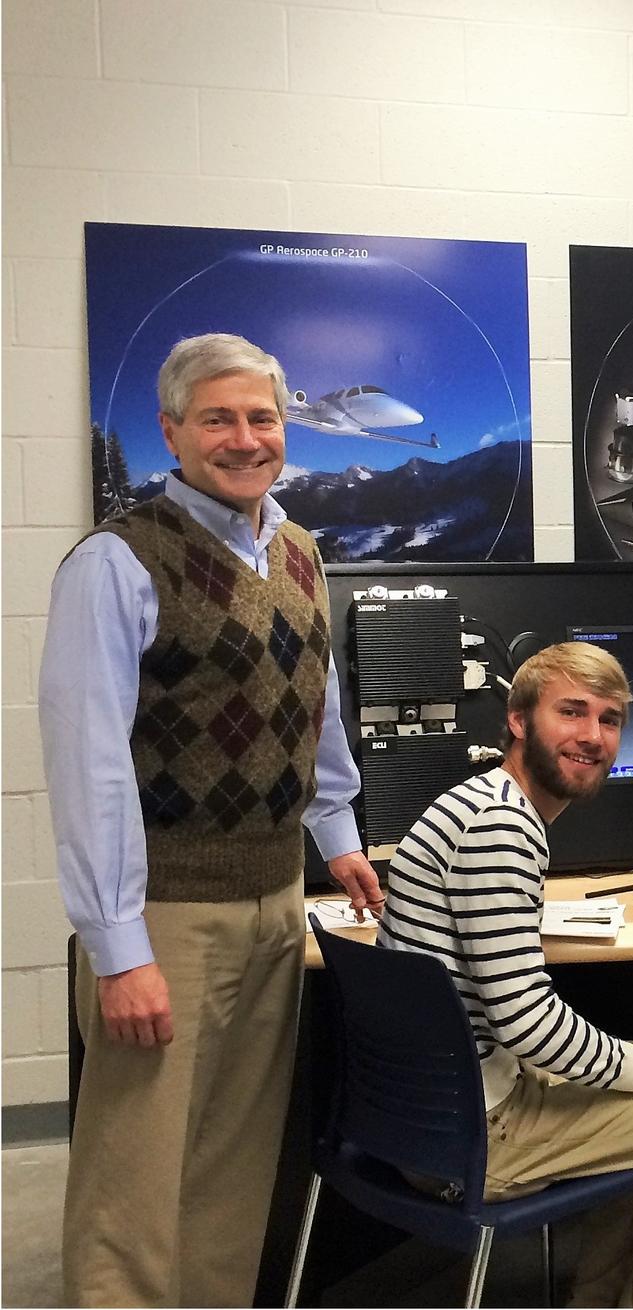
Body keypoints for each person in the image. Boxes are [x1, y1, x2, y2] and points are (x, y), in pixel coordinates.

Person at [42, 333, 385, 1306]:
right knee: (136, 1179)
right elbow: (88, 762)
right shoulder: (118, 561)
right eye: (218, 418)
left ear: (286, 426)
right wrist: (119, 950)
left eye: (261, 417)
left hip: (276, 902)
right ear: (172, 432)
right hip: (166, 915)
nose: (244, 438)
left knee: (234, 1168)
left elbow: (316, 708)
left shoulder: (299, 551)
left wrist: (339, 839)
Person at [376, 641, 633, 1307]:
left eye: (609, 719)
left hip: (423, 1108)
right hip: (467, 1135)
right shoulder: (501, 829)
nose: (592, 736)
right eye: (572, 712)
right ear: (517, 720)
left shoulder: (478, 802)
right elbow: (526, 1025)